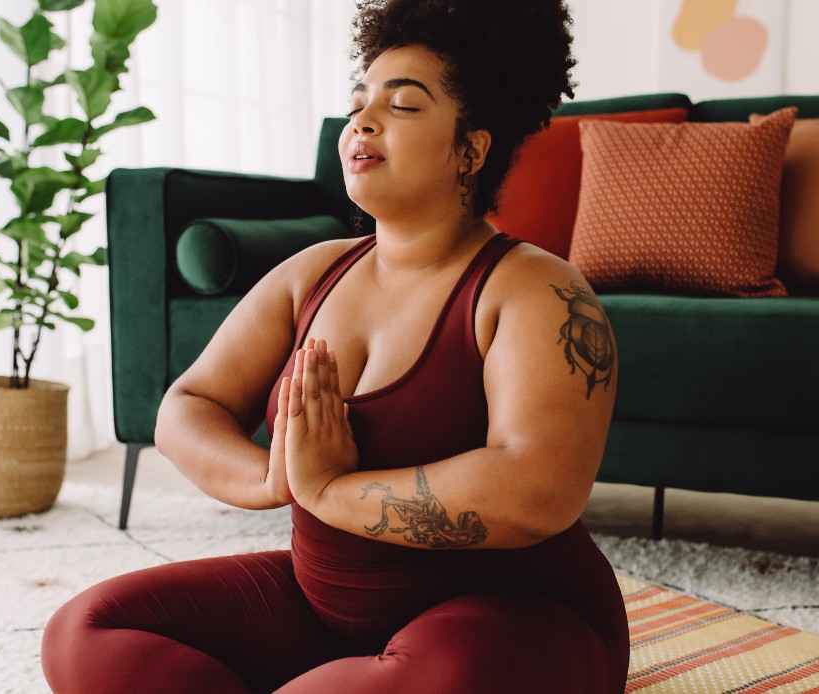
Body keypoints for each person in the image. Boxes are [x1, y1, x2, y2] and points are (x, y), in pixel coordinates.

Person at [41, 0, 627, 691]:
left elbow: (538, 491)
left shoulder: (535, 289)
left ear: (470, 148)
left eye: (403, 105)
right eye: (359, 103)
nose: (363, 120)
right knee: (85, 632)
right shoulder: (311, 273)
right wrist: (271, 479)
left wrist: (326, 489)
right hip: (323, 611)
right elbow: (187, 405)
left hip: (509, 623)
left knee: (445, 676)